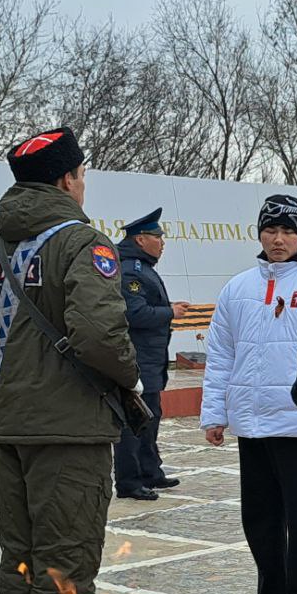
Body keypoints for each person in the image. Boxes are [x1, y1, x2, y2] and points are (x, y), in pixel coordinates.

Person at [0, 127, 139, 594]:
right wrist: (129, 377)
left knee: (21, 563)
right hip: (71, 432)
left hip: (8, 427)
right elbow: (102, 338)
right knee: (66, 566)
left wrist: (24, 358)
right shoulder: (84, 244)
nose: (83, 185)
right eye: (81, 175)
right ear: (66, 179)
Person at [201, 194, 297, 594]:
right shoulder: (238, 287)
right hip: (251, 423)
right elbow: (221, 353)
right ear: (259, 232)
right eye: (271, 230)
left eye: (288, 231)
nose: (279, 240)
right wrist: (215, 413)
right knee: (259, 519)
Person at [112, 208, 189, 501]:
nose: (162, 242)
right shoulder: (130, 270)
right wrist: (171, 312)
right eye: (157, 236)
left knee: (151, 416)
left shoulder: (142, 267)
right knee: (134, 420)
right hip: (136, 359)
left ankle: (150, 472)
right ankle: (129, 481)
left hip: (151, 359)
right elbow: (135, 313)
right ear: (141, 239)